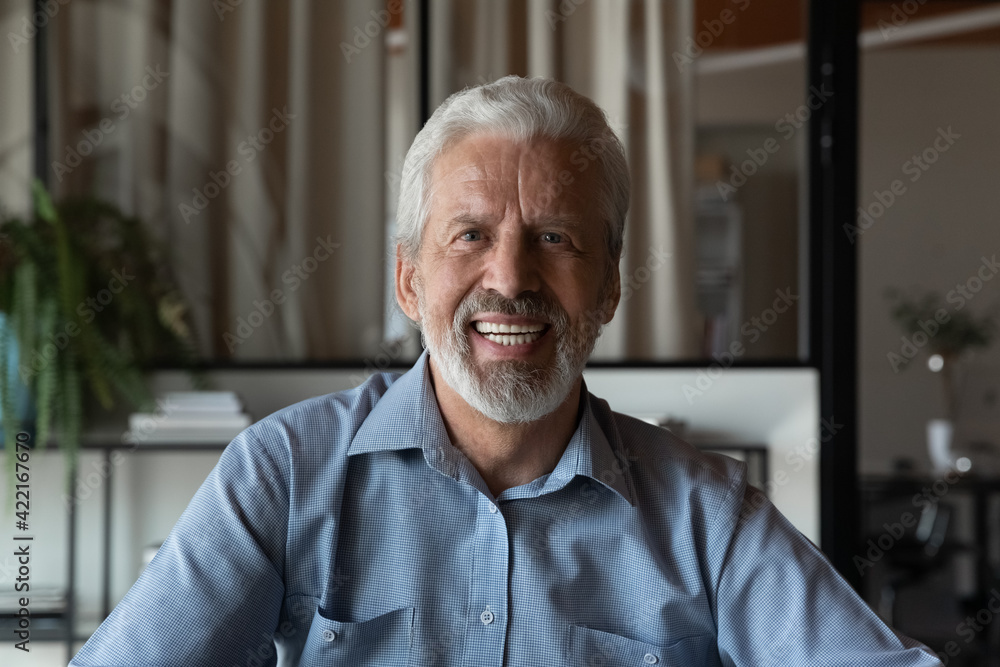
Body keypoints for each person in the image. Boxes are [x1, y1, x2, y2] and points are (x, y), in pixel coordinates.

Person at [71, 76, 942, 666]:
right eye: (471, 235)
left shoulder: (708, 514)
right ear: (409, 278)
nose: (512, 278)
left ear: (607, 286)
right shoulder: (284, 473)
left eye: (555, 238)